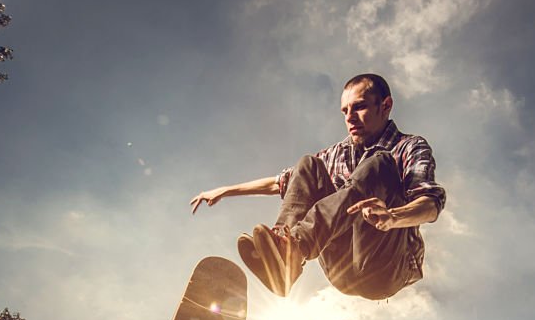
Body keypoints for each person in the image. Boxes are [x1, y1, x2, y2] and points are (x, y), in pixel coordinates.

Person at [190, 73, 446, 300]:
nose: (350, 118)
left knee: (379, 163)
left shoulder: (409, 146)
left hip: (385, 268)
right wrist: (225, 190)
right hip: (342, 270)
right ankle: (287, 252)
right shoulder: (337, 153)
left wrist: (392, 217)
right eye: (345, 111)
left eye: (359, 107)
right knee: (308, 164)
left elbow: (430, 204)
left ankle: (295, 247)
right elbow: (281, 183)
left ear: (386, 106)